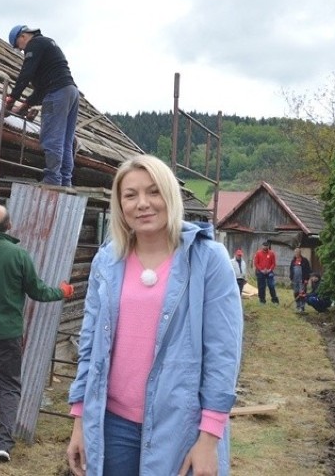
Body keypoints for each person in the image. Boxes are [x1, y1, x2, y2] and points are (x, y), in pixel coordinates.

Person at [65, 154, 243, 476]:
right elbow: (90, 346)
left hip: (181, 427)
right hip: (112, 425)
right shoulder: (106, 261)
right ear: (120, 204)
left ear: (170, 196)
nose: (142, 204)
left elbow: (223, 355)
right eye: (130, 195)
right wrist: (80, 420)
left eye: (153, 192)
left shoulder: (208, 260)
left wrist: (209, 439)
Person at [0, 204, 74, 462]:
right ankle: (4, 443)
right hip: (8, 334)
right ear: (9, 226)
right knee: (9, 386)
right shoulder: (18, 256)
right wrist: (63, 292)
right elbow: (38, 292)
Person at [5, 25, 80, 188]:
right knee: (66, 141)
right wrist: (25, 104)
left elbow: (26, 73)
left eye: (18, 46)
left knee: (51, 137)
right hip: (71, 92)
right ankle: (65, 181)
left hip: (57, 94)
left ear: (23, 36)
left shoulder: (34, 45)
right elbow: (41, 89)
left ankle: (53, 179)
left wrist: (11, 98)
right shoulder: (47, 44)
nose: (21, 50)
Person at [253, 240, 279, 304]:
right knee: (261, 286)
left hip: (269, 272)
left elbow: (273, 263)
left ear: (268, 246)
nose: (265, 247)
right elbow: (256, 263)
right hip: (261, 272)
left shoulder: (271, 253)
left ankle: (274, 299)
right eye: (264, 246)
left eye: (266, 246)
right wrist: (261, 270)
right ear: (262, 246)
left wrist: (269, 270)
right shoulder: (258, 253)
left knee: (271, 285)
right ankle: (262, 300)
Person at [289, 247, 312, 313]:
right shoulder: (293, 260)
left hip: (302, 279)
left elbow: (308, 270)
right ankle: (298, 305)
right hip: (295, 279)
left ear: (300, 253)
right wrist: (291, 277)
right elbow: (291, 269)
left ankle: (302, 307)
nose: (296, 253)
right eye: (295, 252)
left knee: (302, 293)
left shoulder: (304, 260)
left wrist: (306, 279)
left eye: (298, 252)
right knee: (296, 292)